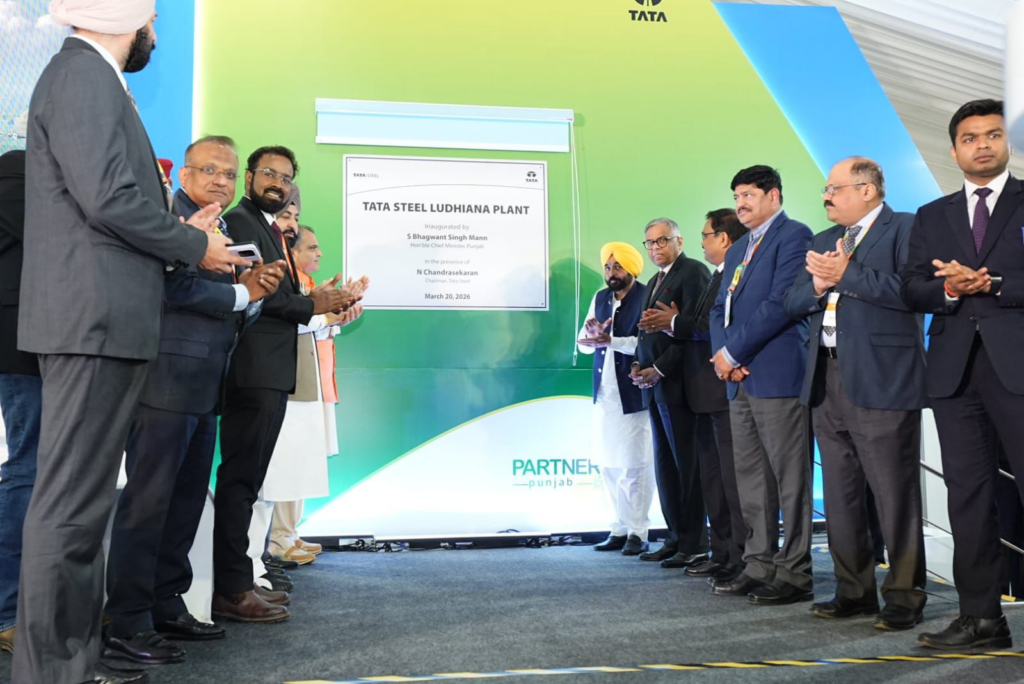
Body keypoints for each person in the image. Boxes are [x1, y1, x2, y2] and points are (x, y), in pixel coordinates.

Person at [13, 4, 247, 682]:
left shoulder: (90, 78)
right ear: (125, 19)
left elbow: (109, 201)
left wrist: (182, 237)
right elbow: (109, 199)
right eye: (151, 21)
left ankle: (69, 663)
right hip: (95, 321)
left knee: (81, 509)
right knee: (72, 510)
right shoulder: (84, 76)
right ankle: (53, 670)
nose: (155, 35)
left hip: (103, 320)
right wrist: (195, 246)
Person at [103, 136, 288, 664]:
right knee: (148, 503)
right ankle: (127, 621)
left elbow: (233, 306)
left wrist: (253, 290)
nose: (221, 181)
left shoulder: (221, 228)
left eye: (228, 174)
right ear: (184, 175)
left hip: (206, 385)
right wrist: (241, 293)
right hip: (165, 382)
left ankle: (166, 604)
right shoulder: (166, 219)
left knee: (184, 504)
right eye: (210, 170)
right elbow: (167, 290)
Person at [213, 146, 357, 623]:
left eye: (286, 177)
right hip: (252, 370)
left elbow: (281, 295)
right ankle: (231, 588)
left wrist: (321, 300)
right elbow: (261, 296)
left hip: (271, 370)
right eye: (269, 174)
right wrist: (315, 304)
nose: (278, 183)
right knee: (240, 483)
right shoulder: (242, 221)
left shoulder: (267, 227)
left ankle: (241, 579)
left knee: (250, 483)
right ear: (250, 176)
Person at [902, 99, 1024, 650]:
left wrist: (994, 284)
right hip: (955, 375)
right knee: (968, 497)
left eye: (992, 135)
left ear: (1007, 143)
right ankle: (982, 619)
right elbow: (912, 288)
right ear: (954, 151)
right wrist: (950, 288)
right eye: (970, 138)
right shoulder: (932, 215)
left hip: (1018, 368)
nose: (982, 145)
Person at [785, 157, 927, 630]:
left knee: (893, 493)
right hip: (826, 378)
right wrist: (818, 283)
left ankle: (904, 597)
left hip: (883, 378)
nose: (826, 195)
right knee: (841, 495)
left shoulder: (905, 227)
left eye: (835, 187)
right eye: (826, 188)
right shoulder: (823, 240)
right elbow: (792, 300)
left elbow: (913, 292)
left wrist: (846, 275)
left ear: (868, 190)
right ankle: (853, 591)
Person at [709, 165, 814, 606]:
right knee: (751, 479)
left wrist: (734, 354)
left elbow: (781, 304)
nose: (741, 204)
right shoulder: (739, 248)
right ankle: (758, 564)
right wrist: (724, 357)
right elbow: (719, 308)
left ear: (774, 196)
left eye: (749, 195)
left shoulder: (795, 235)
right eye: (737, 196)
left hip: (775, 373)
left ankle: (796, 571)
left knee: (791, 480)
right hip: (738, 380)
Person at [267, 226, 363, 563]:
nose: (319, 253)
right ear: (291, 252)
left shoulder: (308, 287)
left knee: (303, 459)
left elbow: (317, 331)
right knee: (289, 461)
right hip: (294, 384)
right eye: (312, 247)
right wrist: (327, 314)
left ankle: (289, 533)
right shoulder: (290, 288)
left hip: (314, 384)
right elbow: (296, 325)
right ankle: (279, 538)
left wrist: (338, 317)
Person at [674, 209, 750, 582]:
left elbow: (715, 327)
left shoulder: (735, 276)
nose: (701, 242)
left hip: (723, 392)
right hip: (703, 395)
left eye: (705, 235)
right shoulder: (717, 275)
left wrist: (675, 322)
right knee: (713, 482)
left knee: (733, 484)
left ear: (723, 238)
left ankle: (741, 557)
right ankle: (721, 553)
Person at [630, 218, 710, 569]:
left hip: (680, 385)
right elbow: (647, 331)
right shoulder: (654, 280)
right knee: (666, 468)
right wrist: (638, 364)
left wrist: (660, 368)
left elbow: (692, 332)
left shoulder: (693, 272)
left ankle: (695, 543)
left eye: (662, 240)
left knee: (687, 467)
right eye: (650, 242)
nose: (656, 247)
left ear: (679, 240)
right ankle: (675, 537)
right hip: (654, 386)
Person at [577, 242, 654, 556]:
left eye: (618, 266)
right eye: (608, 267)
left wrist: (611, 340)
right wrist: (592, 337)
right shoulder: (600, 298)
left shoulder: (647, 296)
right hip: (604, 395)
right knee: (608, 465)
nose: (612, 273)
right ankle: (619, 528)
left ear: (631, 268)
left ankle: (638, 531)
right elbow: (583, 345)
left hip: (633, 393)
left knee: (635, 466)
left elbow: (648, 344)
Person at [0, 142, 38, 657]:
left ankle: (50, 603)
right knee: (28, 471)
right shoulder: (15, 168)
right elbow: (49, 236)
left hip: (68, 344)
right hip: (22, 347)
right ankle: (8, 610)